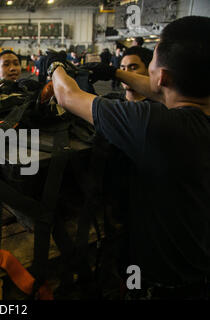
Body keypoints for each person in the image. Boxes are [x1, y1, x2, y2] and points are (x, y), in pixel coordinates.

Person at [45, 15, 210, 299]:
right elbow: (161, 90)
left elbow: (66, 95)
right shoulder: (194, 118)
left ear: (161, 75)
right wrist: (114, 72)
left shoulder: (153, 126)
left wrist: (55, 66)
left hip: (162, 284)